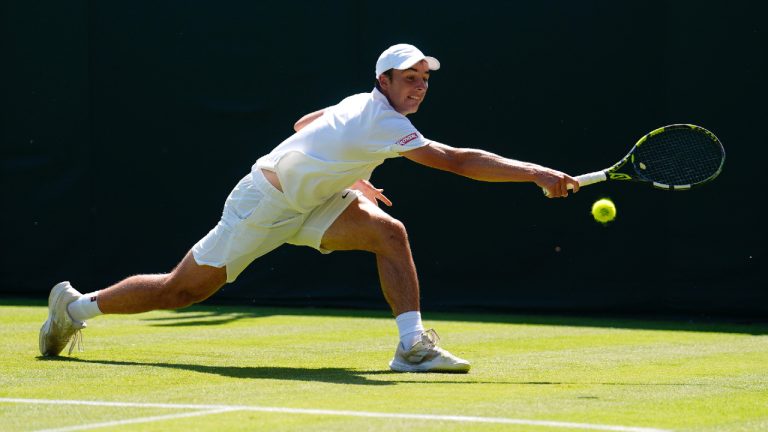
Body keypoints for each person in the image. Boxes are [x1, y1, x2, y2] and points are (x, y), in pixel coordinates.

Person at [39, 43, 579, 372]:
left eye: (424, 80)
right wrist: (536, 173)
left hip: (316, 199)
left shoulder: (359, 104)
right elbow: (458, 161)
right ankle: (74, 308)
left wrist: (353, 176)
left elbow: (305, 125)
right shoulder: (383, 119)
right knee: (182, 291)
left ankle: (411, 347)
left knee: (390, 233)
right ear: (383, 81)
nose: (418, 88)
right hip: (264, 202)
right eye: (408, 79)